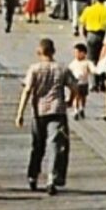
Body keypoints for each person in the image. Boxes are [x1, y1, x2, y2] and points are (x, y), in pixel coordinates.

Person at [15, 37, 77, 196]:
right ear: (53, 51)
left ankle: (33, 175)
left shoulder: (34, 69)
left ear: (39, 51)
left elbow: (27, 90)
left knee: (38, 145)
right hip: (57, 111)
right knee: (55, 145)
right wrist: (71, 100)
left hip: (39, 112)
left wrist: (20, 113)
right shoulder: (62, 68)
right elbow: (74, 86)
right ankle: (52, 178)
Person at [79, 0, 106, 92]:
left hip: (91, 34)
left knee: (91, 59)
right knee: (102, 59)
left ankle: (93, 83)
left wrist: (85, 35)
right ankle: (101, 82)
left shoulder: (89, 9)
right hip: (104, 35)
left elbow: (82, 24)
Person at [68, 43, 91, 120]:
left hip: (84, 83)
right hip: (76, 83)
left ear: (83, 53)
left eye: (77, 52)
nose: (75, 54)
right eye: (74, 53)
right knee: (76, 97)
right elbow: (69, 71)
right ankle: (76, 111)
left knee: (83, 97)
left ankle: (82, 108)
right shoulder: (73, 63)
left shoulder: (87, 62)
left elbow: (92, 69)